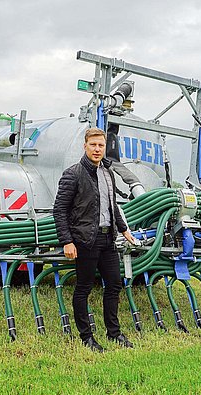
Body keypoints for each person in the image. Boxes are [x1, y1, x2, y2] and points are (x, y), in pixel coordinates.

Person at [53, 128, 137, 352]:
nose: (97, 149)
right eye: (93, 145)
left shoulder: (108, 173)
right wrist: (67, 241)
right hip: (85, 240)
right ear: (85, 146)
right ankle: (86, 336)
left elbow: (113, 205)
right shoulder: (73, 174)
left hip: (107, 239)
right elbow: (59, 210)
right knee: (84, 288)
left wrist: (124, 229)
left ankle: (114, 332)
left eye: (101, 145)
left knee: (114, 284)